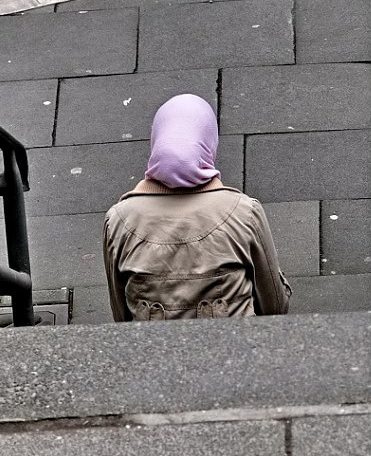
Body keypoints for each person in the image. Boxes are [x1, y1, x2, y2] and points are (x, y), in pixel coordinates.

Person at [102, 94, 292, 321]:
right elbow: (275, 307)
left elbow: (120, 313)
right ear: (209, 143)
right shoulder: (244, 213)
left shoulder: (118, 220)